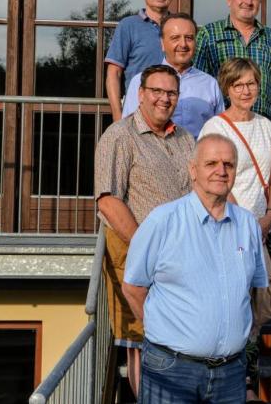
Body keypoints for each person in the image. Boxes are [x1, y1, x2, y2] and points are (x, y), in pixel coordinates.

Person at [123, 133, 269, 404]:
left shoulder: (248, 225)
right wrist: (165, 330)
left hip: (230, 374)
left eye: (229, 164)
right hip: (172, 370)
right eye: (211, 163)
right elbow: (133, 287)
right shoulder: (162, 221)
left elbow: (255, 291)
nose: (221, 171)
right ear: (193, 170)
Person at [94, 64, 194, 397]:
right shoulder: (119, 136)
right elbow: (108, 201)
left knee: (177, 336)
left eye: (171, 93)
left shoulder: (185, 139)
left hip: (183, 259)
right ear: (140, 94)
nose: (164, 99)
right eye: (157, 91)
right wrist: (146, 249)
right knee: (140, 340)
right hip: (137, 255)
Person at [198, 57, 271, 402]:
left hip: (262, 226)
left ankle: (247, 375)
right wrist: (248, 221)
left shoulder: (265, 125)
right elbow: (216, 179)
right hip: (229, 225)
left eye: (251, 83)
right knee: (234, 302)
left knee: (261, 302)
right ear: (227, 88)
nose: (246, 90)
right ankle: (238, 381)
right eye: (238, 85)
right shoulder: (215, 127)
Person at [194, 0, 271, 140]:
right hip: (223, 126)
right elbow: (198, 81)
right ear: (229, 0)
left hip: (264, 126)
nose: (248, 2)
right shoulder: (209, 34)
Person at [122, 13, 224, 138]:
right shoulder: (141, 81)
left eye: (189, 38)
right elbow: (128, 129)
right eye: (175, 38)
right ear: (162, 44)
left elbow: (220, 132)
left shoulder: (210, 84)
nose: (183, 44)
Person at [105, 0, 174, 122]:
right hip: (137, 113)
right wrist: (118, 116)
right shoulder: (128, 26)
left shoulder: (179, 27)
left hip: (174, 111)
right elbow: (113, 74)